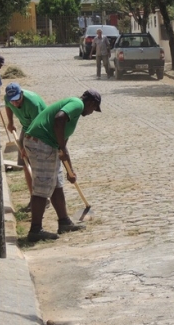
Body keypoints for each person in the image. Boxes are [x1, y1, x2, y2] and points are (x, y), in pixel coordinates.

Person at [23, 89, 102, 242]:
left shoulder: (74, 114)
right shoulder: (77, 104)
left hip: (47, 145)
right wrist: (61, 146)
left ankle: (64, 222)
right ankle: (35, 230)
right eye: (94, 108)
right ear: (91, 103)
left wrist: (69, 171)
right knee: (43, 186)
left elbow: (63, 146)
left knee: (56, 183)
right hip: (41, 143)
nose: (92, 112)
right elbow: (59, 119)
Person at [4, 83, 47, 210]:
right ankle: (34, 198)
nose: (15, 103)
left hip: (42, 129)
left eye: (17, 99)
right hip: (27, 128)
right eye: (13, 101)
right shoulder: (9, 99)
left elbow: (38, 127)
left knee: (39, 165)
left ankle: (45, 197)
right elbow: (7, 106)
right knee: (25, 164)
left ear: (21, 94)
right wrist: (10, 122)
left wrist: (27, 148)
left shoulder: (33, 104)